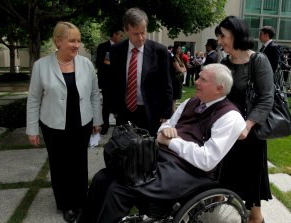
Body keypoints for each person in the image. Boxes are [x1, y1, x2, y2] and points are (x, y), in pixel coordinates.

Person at [80, 63, 246, 223]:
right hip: (162, 157)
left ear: (219, 89)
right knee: (103, 177)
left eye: (203, 79)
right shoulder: (191, 102)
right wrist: (165, 131)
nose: (196, 81)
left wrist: (172, 142)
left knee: (120, 189)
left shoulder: (230, 117)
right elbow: (167, 125)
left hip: (189, 172)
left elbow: (207, 160)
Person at [26, 21, 103, 223]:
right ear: (58, 41)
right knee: (60, 166)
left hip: (82, 123)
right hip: (53, 126)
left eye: (78, 41)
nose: (76, 45)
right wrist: (32, 129)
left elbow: (95, 94)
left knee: (79, 163)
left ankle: (80, 201)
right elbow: (33, 99)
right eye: (72, 41)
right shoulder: (41, 66)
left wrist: (97, 119)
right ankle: (66, 204)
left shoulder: (86, 64)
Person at [215, 15, 274, 223]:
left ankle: (256, 217)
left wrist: (247, 126)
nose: (220, 41)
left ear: (236, 34)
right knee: (227, 172)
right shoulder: (225, 62)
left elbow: (267, 99)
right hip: (229, 130)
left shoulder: (258, 60)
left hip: (251, 131)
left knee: (251, 177)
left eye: (223, 36)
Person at [108, 7, 173, 136]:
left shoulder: (159, 51)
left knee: (147, 150)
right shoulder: (116, 50)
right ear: (126, 30)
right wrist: (114, 107)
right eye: (135, 34)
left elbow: (166, 83)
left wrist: (166, 112)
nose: (141, 38)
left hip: (150, 110)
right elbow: (114, 81)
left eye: (143, 32)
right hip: (124, 110)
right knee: (124, 149)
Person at [95, 27, 124, 135]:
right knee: (106, 105)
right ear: (114, 34)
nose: (122, 38)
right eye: (120, 35)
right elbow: (99, 64)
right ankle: (105, 126)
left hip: (119, 82)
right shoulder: (103, 47)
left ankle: (119, 128)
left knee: (119, 105)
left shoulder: (123, 47)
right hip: (107, 82)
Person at [170, 44, 187, 112]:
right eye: (179, 48)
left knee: (176, 96)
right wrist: (181, 69)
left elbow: (185, 68)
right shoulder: (174, 58)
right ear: (175, 49)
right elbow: (179, 69)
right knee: (174, 97)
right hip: (175, 79)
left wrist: (181, 69)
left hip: (179, 79)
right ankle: (173, 111)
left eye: (181, 49)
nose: (180, 50)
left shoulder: (180, 58)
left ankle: (173, 109)